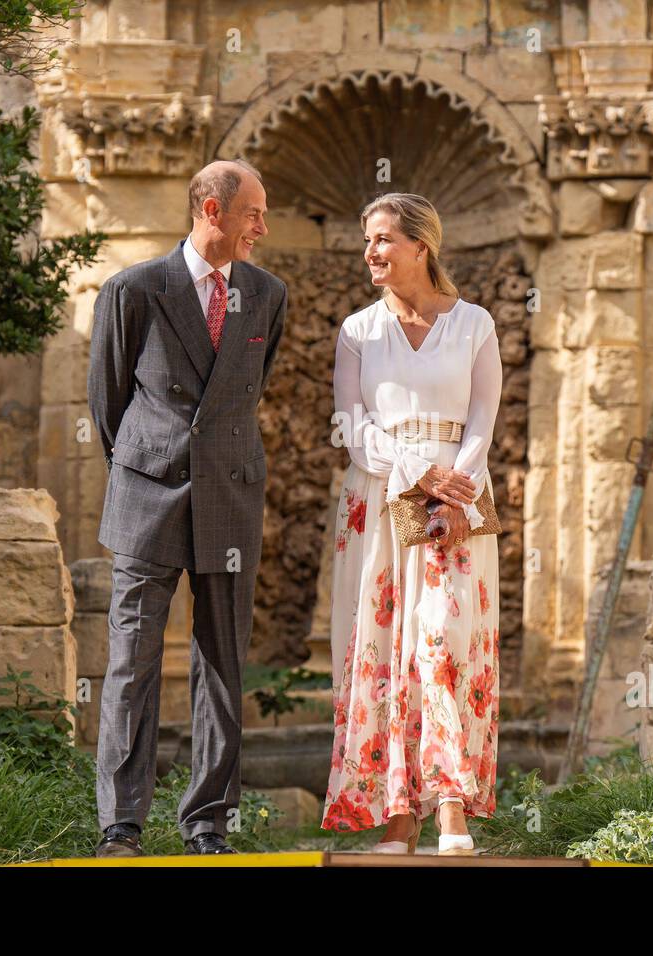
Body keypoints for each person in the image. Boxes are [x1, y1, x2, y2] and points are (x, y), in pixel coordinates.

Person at [86, 159, 286, 856]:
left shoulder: (268, 295)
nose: (262, 227)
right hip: (146, 496)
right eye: (253, 213)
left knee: (223, 665)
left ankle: (208, 823)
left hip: (230, 497)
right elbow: (107, 404)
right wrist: (149, 464)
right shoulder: (133, 289)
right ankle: (121, 826)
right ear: (212, 209)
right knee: (132, 663)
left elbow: (245, 393)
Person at [320, 192, 502, 855]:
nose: (371, 252)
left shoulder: (474, 323)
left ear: (420, 246)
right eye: (368, 240)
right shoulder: (358, 331)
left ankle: (449, 806)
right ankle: (397, 817)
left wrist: (458, 493)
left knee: (445, 644)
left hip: (459, 497)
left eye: (383, 239)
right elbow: (352, 424)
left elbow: (483, 417)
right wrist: (418, 473)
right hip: (379, 491)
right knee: (381, 646)